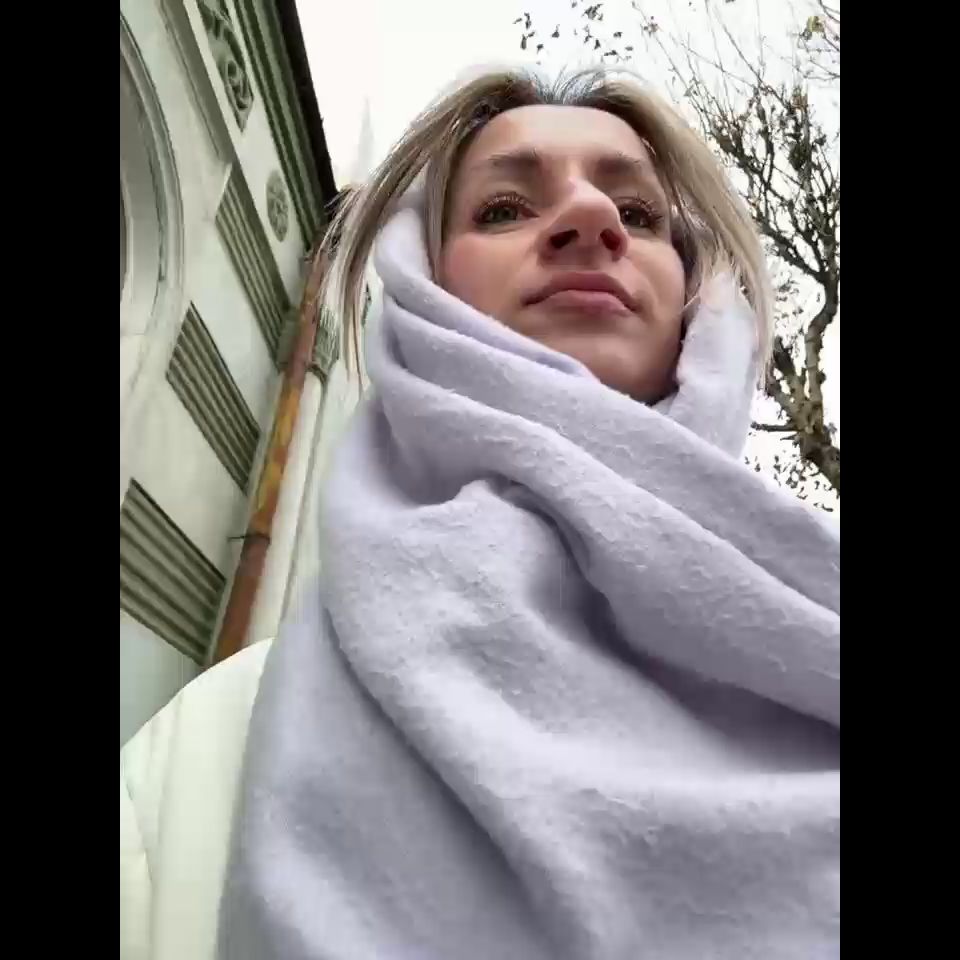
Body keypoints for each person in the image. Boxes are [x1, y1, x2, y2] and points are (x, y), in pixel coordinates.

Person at [120, 67, 840, 960]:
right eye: (503, 209)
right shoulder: (196, 765)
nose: (594, 217)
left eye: (641, 212)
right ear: (423, 283)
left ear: (701, 294)